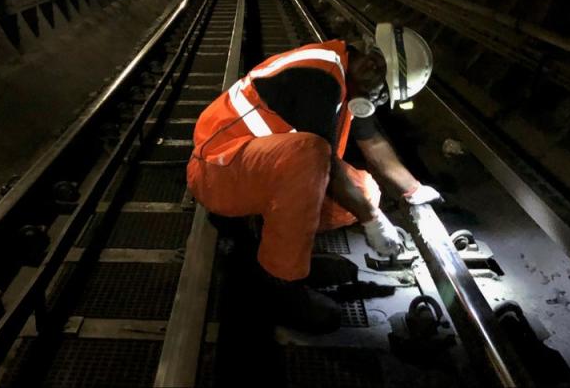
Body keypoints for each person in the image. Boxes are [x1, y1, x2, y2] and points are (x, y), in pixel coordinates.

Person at [187, 23, 441, 333]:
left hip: (251, 171)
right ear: (373, 66)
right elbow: (323, 164)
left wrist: (414, 191)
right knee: (312, 155)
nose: (378, 102)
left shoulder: (346, 75)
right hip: (217, 173)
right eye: (383, 93)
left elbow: (372, 141)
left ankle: (290, 254)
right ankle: (283, 285)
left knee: (365, 190)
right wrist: (373, 220)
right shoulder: (322, 78)